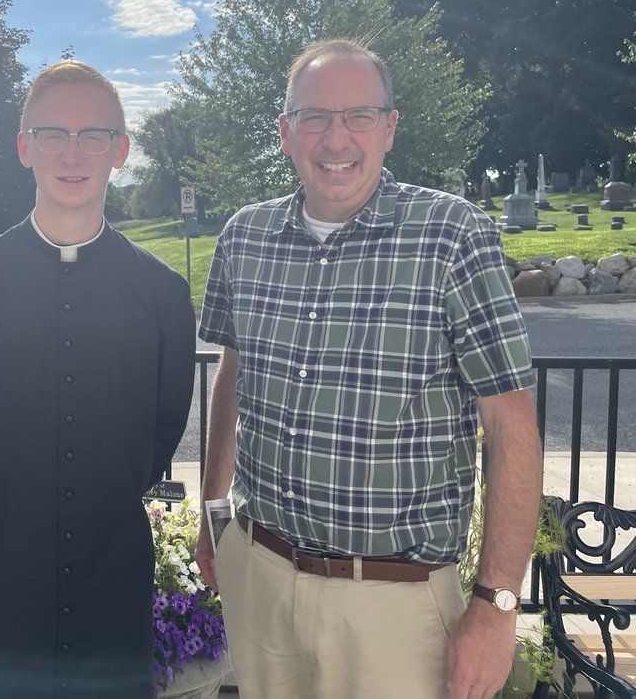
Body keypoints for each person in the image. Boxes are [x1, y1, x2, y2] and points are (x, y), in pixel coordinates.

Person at [195, 39, 542, 699]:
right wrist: (216, 514)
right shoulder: (243, 236)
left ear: (389, 128)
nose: (336, 137)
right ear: (285, 133)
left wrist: (496, 608)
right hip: (259, 578)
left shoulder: (451, 237)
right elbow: (231, 376)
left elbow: (511, 428)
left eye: (358, 115)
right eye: (315, 117)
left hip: (394, 608)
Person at [0, 60, 197, 698]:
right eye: (53, 134)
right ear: (24, 148)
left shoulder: (162, 295)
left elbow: (161, 434)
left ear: (120, 151)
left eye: (94, 135)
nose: (72, 154)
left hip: (112, 581)